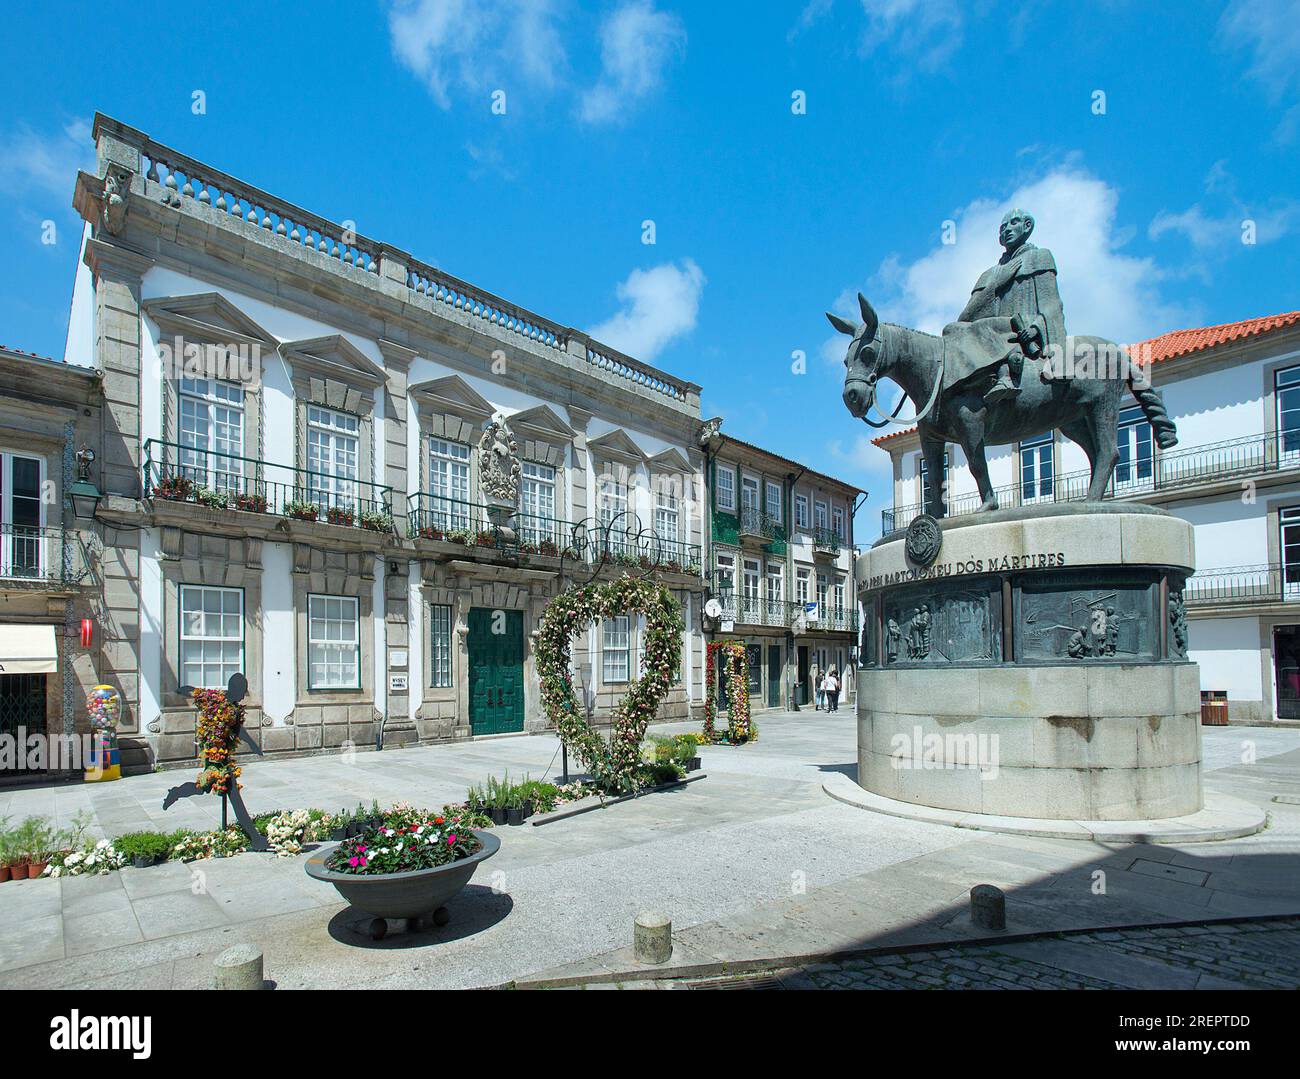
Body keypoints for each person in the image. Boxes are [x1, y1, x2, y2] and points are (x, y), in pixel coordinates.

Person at [943, 208, 1067, 406]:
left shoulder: (1040, 257)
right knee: (950, 329)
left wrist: (1035, 328)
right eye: (1002, 228)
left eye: (1014, 223)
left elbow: (1052, 305)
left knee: (994, 329)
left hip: (1022, 328)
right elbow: (965, 318)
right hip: (992, 332)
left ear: (1027, 226)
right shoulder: (989, 274)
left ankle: (1008, 373)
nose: (1007, 230)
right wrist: (995, 284)